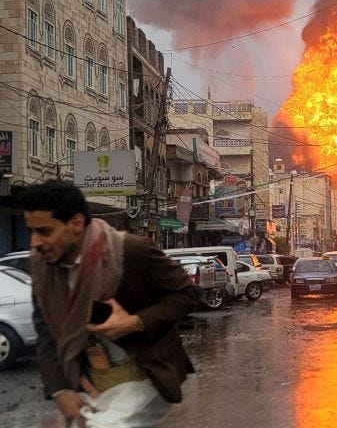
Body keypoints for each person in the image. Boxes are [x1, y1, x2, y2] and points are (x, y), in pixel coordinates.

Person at [18, 180, 200, 428]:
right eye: (31, 231)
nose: (35, 243)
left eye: (45, 231)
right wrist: (60, 390)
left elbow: (188, 294)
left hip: (144, 379)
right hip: (90, 384)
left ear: (77, 224)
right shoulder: (42, 268)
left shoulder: (131, 251)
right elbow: (46, 332)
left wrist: (134, 323)